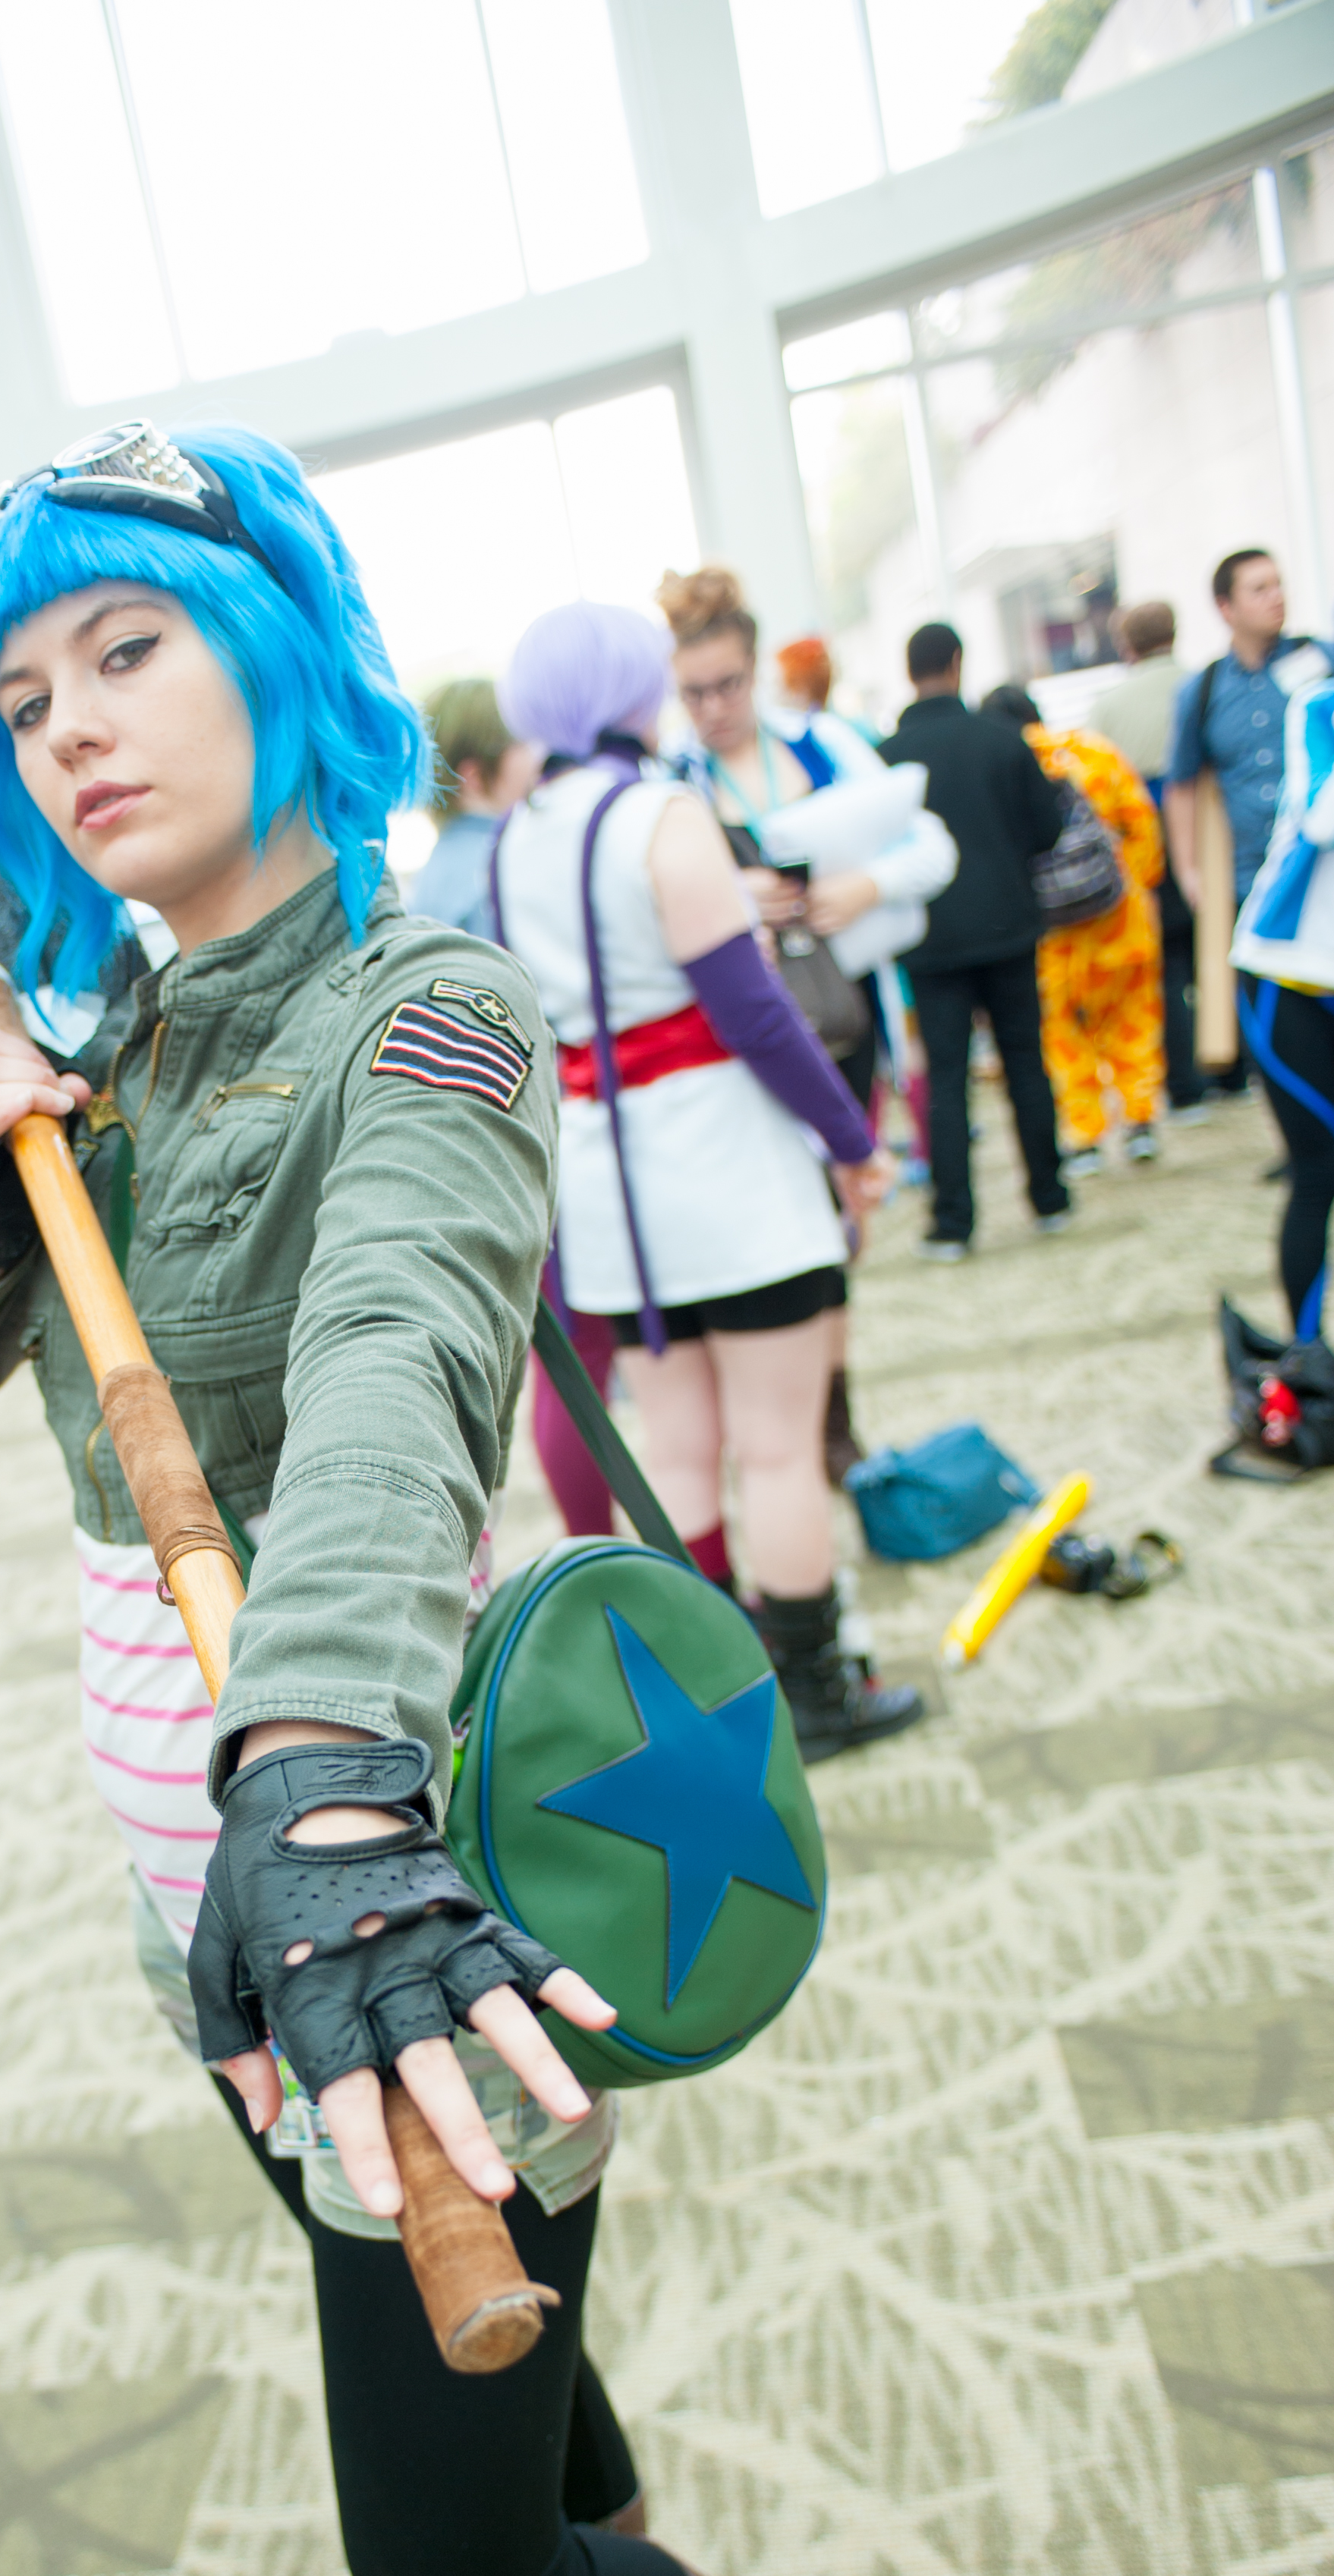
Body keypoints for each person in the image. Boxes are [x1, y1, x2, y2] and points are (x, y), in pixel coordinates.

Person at [0, 424, 883, 2576]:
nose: (73, 724)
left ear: (281, 656)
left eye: (129, 647)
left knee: (446, 2566)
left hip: (379, 1886)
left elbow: (403, 1371)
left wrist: (313, 1782)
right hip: (198, 1898)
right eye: (21, 695)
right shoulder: (93, 1041)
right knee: (523, 2398)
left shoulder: (431, 1007)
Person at [490, 598, 920, 1759]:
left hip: (610, 1180)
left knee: (677, 1452)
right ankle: (816, 1698)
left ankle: (725, 1707)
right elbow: (753, 1013)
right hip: (722, 1171)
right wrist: (854, 1141)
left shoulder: (522, 833)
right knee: (776, 1447)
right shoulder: (659, 815)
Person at [660, 565, 956, 1478]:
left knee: (842, 1214)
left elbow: (932, 845)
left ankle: (832, 1413)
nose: (714, 707)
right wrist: (733, 894)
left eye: (728, 684)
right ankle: (814, 1422)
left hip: (842, 1016)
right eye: (694, 692)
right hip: (743, 1037)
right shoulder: (672, 780)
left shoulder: (824, 745)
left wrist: (863, 886)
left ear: (755, 670)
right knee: (800, 1223)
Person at [876, 626, 1071, 1259]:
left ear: (910, 671)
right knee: (1025, 1063)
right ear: (957, 663)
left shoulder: (887, 757)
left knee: (947, 1078)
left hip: (930, 938)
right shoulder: (1002, 738)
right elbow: (1048, 829)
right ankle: (1049, 1196)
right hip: (1009, 924)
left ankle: (952, 1221)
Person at [980, 684, 1166, 1169]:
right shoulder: (1093, 752)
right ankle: (1140, 1119)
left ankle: (1085, 1135)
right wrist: (1137, 882)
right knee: (1131, 1021)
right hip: (1118, 919)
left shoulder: (999, 768)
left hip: (1050, 935)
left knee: (1062, 1032)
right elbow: (1141, 823)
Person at [1230, 659, 1334, 1337]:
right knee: (1319, 1167)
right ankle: (1307, 1356)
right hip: (1286, 976)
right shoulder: (1318, 707)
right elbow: (1322, 817)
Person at [1164, 549, 1332, 926]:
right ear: (1226, 607)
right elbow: (1182, 786)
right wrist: (1189, 872)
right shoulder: (1203, 690)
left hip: (1326, 869)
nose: (1277, 597)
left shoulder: (1323, 660)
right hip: (1256, 880)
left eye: (1278, 585)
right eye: (1260, 589)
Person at [1094, 600, 1203, 1116]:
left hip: (1143, 838)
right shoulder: (1203, 684)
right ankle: (1233, 1070)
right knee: (1218, 946)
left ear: (1127, 644)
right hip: (1209, 827)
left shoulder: (1111, 704)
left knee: (1165, 961)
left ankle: (1184, 1084)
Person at [410, 677, 540, 939]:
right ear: (473, 777)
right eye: (521, 743)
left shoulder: (433, 870)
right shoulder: (501, 867)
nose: (536, 756)